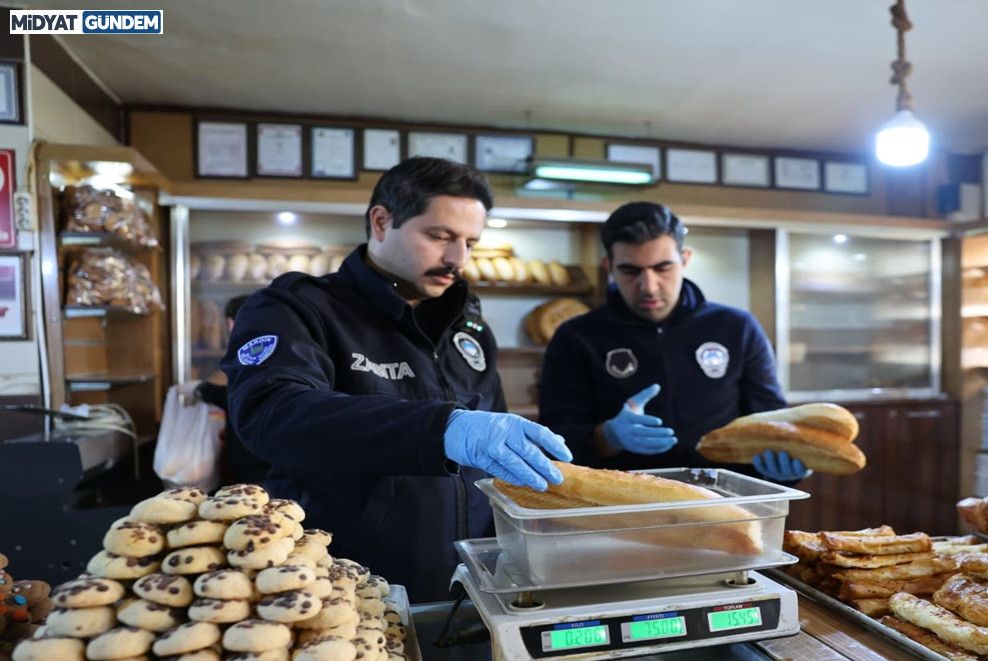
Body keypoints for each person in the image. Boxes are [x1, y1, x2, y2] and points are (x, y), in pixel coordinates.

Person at [222, 157, 571, 601]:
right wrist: (441, 429)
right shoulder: (297, 309)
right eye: (440, 236)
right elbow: (273, 413)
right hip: (347, 590)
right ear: (382, 221)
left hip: (471, 587)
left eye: (470, 242)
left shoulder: (469, 329)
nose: (457, 259)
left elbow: (491, 463)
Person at [538, 201, 810, 484]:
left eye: (662, 268)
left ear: (685, 259)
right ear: (609, 266)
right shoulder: (576, 337)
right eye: (630, 271)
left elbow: (771, 419)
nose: (649, 286)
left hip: (726, 497)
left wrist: (785, 468)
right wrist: (606, 437)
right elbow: (553, 439)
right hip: (621, 499)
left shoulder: (737, 327)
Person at [195, 295, 272, 489]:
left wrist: (205, 391)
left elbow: (242, 395)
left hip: (249, 452)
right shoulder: (272, 344)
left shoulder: (249, 350)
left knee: (250, 502)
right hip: (274, 451)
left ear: (231, 323)